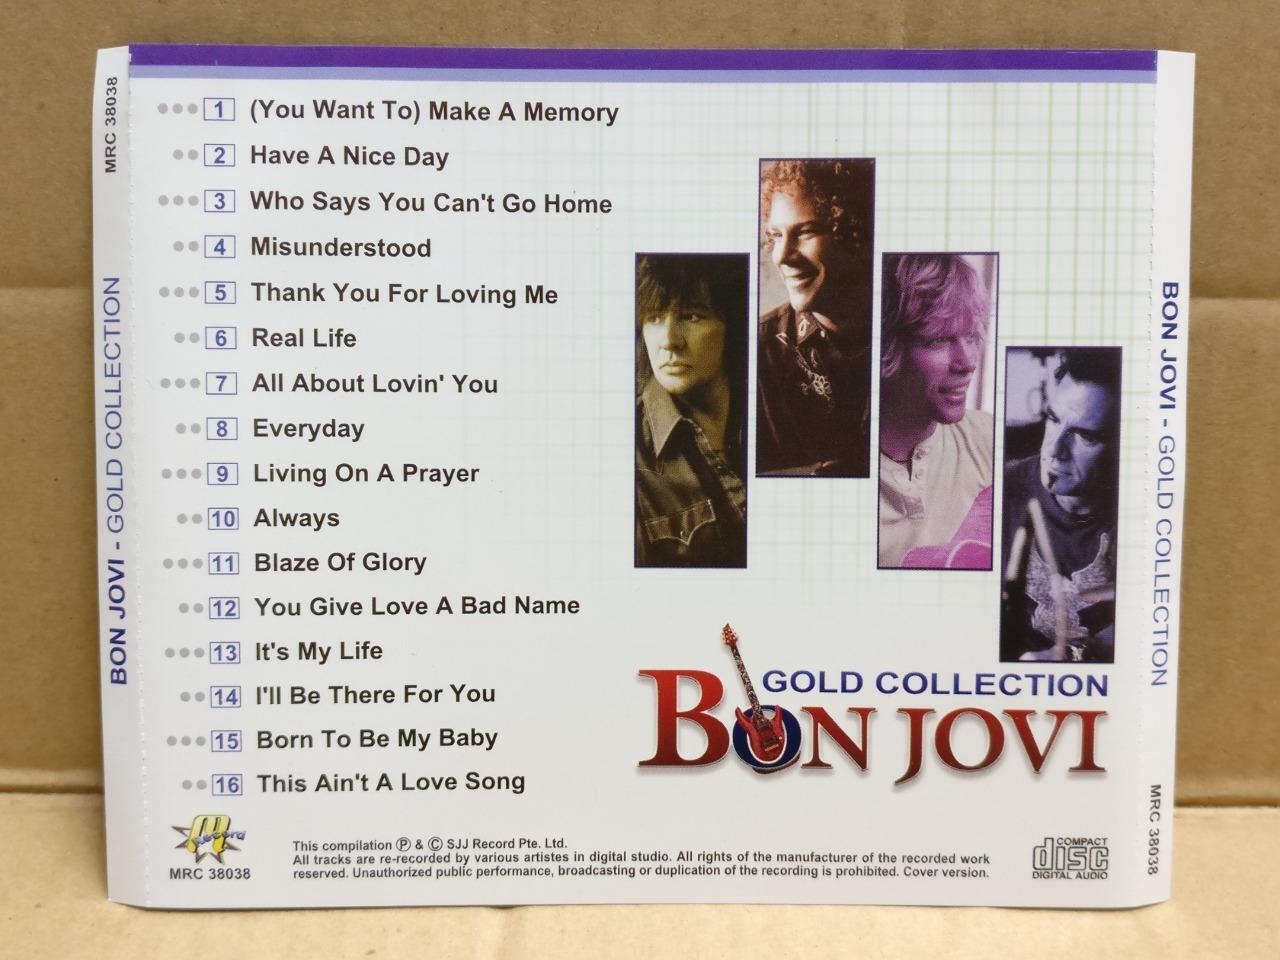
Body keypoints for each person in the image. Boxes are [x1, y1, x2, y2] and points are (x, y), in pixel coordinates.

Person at [1000, 348, 1122, 662]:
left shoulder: (1142, 514)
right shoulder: (997, 491)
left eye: (1085, 436)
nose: (1054, 451)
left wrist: (1073, 656)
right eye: (1054, 419)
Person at [757, 159, 874, 477]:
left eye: (805, 232)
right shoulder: (759, 350)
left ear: (855, 232)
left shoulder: (907, 339)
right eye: (775, 236)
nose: (781, 255)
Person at [877, 254, 995, 569]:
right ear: (887, 346)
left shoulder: (991, 439)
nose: (967, 363)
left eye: (971, 336)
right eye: (938, 340)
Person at [635, 254, 748, 568]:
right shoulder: (631, 454)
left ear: (731, 327)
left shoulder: (771, 405)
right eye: (654, 318)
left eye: (691, 316)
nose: (669, 341)